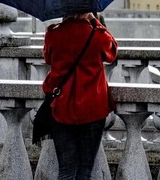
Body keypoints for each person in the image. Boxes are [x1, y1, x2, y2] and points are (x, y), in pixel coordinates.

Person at [42, 12, 117, 180]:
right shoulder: (97, 35)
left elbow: (48, 59)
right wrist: (94, 20)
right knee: (85, 170)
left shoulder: (53, 33)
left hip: (61, 108)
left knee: (66, 171)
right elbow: (112, 51)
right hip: (93, 108)